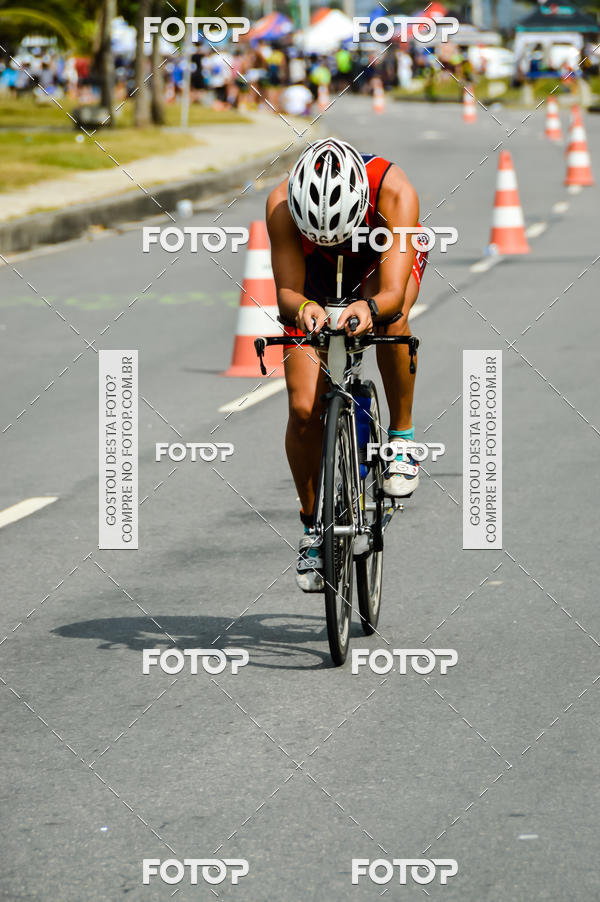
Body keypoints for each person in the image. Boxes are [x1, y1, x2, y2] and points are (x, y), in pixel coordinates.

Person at [266, 138, 428, 592]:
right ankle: (312, 527)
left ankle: (401, 439)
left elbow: (393, 293)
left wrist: (371, 310)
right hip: (313, 278)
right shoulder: (280, 203)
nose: (330, 240)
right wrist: (303, 310)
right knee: (302, 410)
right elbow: (287, 293)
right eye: (319, 234)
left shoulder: (394, 192)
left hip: (379, 266)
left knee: (393, 318)